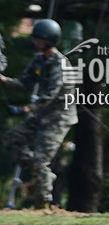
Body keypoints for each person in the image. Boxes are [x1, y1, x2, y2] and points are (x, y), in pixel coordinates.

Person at [1, 19, 78, 209]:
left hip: (59, 117)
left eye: (40, 40)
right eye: (35, 39)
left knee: (41, 159)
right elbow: (25, 83)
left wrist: (25, 109)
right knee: (11, 139)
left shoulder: (60, 64)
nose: (36, 43)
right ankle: (43, 174)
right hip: (43, 113)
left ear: (50, 40)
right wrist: (4, 80)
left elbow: (50, 94)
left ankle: (43, 203)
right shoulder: (38, 60)